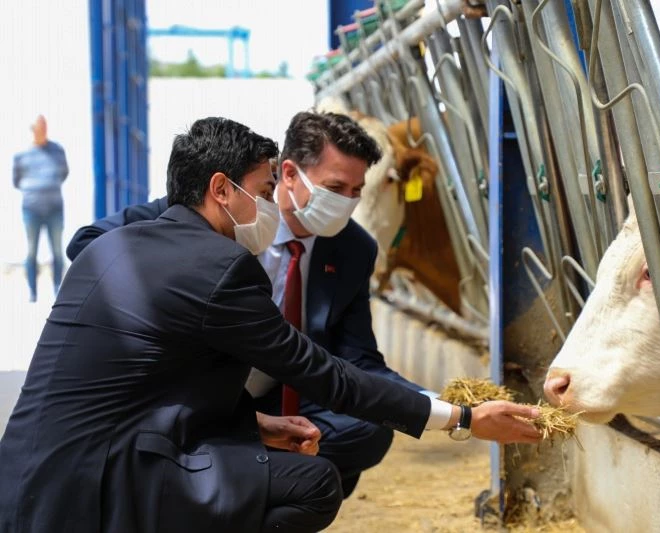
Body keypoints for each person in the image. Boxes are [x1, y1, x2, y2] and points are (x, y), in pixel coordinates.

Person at [1, 116, 542, 533]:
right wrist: (463, 419)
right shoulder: (215, 263)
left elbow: (350, 361)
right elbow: (320, 371)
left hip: (28, 469)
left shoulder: (115, 249)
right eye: (261, 194)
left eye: (359, 191)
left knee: (352, 433)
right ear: (221, 189)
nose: (348, 204)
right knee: (313, 485)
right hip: (102, 481)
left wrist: (251, 427)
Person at [67, 111, 436, 498]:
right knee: (311, 475)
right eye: (335, 187)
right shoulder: (209, 215)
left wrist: (430, 401)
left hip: (288, 391)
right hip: (200, 387)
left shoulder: (355, 249)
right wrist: (177, 281)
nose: (347, 202)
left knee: (368, 431)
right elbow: (87, 242)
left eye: (356, 190)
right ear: (289, 175)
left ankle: (248, 460)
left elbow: (358, 357)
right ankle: (247, 465)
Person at [12, 115, 69, 302]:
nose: (43, 129)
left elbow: (63, 173)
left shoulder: (57, 150)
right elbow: (16, 180)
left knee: (58, 252)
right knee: (31, 252)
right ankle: (32, 292)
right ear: (33, 129)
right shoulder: (22, 155)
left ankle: (57, 289)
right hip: (31, 210)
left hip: (54, 209)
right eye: (39, 126)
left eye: (45, 126)